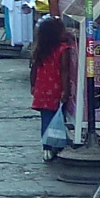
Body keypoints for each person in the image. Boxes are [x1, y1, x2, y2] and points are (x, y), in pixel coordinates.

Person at [29, 16, 71, 157]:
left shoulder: (40, 49)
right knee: (58, 117)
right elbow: (64, 70)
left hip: (42, 88)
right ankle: (58, 144)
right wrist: (65, 90)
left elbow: (34, 69)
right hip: (56, 88)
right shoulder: (63, 49)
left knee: (46, 118)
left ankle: (46, 146)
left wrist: (33, 84)